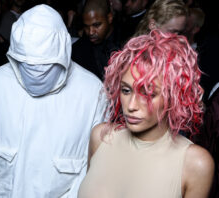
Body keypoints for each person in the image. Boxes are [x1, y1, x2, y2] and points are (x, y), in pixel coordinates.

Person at [0, 4, 106, 198]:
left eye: (46, 67)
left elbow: (94, 170)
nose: (37, 73)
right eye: (28, 66)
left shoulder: (92, 93)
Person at [78, 30, 214, 198]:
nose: (131, 106)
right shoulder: (101, 137)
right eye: (126, 90)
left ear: (173, 95)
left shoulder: (194, 164)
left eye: (148, 94)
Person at [72, 0, 121, 80]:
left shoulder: (128, 42)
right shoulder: (77, 51)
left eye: (96, 25)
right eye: (86, 26)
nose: (91, 32)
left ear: (109, 18)